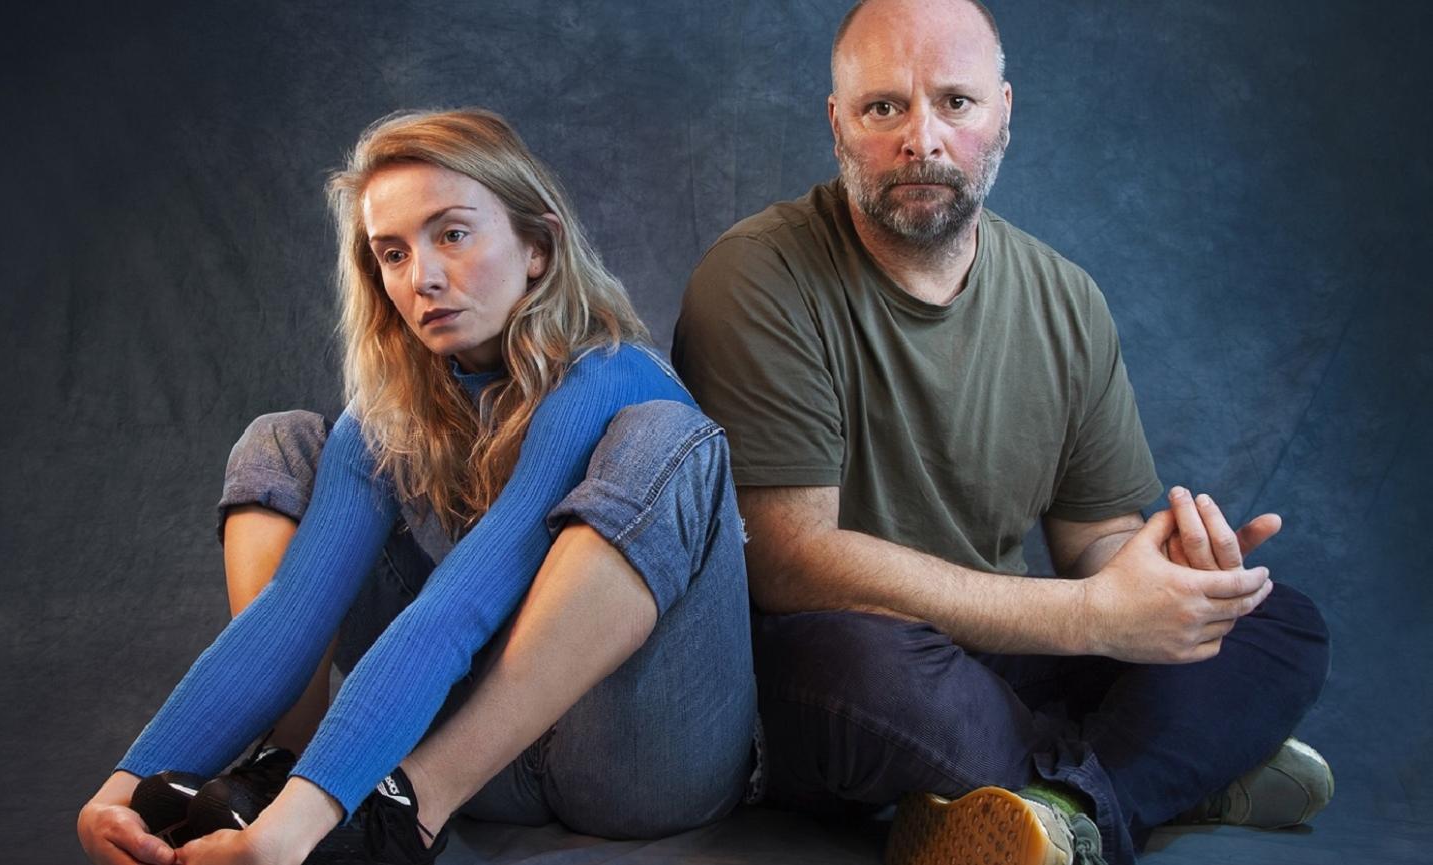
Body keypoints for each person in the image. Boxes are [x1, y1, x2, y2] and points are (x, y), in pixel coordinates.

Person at [671, 1, 1331, 864]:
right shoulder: (758, 274)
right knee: (865, 670)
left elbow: (1096, 538)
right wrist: (1091, 614)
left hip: (1012, 649)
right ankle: (1164, 774)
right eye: (883, 108)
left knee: (1276, 621)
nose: (922, 139)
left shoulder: (1067, 299)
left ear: (1004, 113)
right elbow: (791, 559)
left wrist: (1165, 584)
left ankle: (1065, 811)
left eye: (955, 102)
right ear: (837, 123)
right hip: (841, 660)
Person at [77, 108, 757, 865]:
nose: (422, 276)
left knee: (665, 436)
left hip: (638, 761)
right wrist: (121, 788)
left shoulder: (606, 375)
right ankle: (292, 770)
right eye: (392, 254)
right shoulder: (395, 409)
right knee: (281, 439)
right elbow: (293, 610)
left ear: (538, 247)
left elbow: (457, 607)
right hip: (487, 761)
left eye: (453, 235)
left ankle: (381, 814)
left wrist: (292, 838)